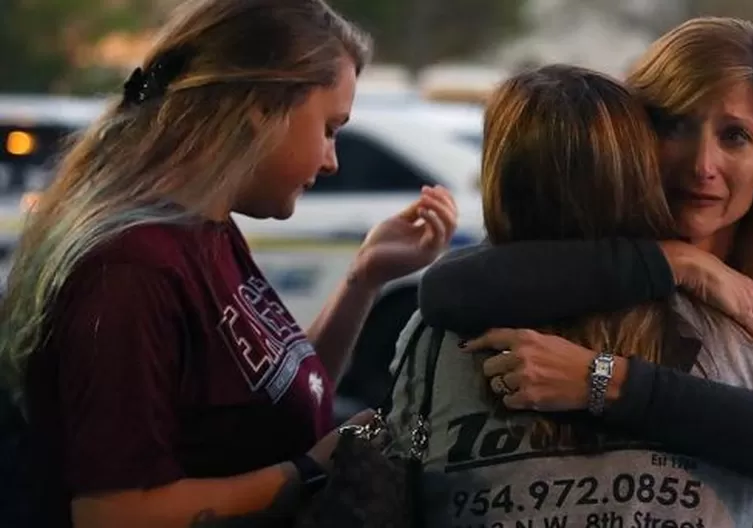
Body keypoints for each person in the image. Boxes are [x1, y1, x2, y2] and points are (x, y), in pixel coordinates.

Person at [0, 1, 458, 527]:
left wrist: (364, 278)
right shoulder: (130, 269)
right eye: (330, 128)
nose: (332, 159)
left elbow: (283, 401)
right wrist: (310, 471)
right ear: (261, 107)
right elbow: (115, 513)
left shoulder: (205, 227)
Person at [418, 17, 753, 525]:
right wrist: (676, 262)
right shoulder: (588, 249)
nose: (701, 165)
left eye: (734, 136)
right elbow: (449, 288)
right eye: (674, 125)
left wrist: (605, 382)